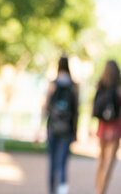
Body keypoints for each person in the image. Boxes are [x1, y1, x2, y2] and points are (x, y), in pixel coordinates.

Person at [43, 56, 79, 194]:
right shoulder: (73, 86)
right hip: (67, 129)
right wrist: (75, 131)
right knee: (63, 163)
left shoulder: (53, 84)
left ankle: (51, 191)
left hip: (52, 127)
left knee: (52, 162)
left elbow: (46, 106)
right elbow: (76, 111)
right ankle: (62, 191)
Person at [94, 60, 121, 194]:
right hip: (115, 130)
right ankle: (102, 191)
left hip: (102, 129)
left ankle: (98, 190)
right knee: (109, 165)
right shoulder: (118, 88)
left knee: (101, 162)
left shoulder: (100, 85)